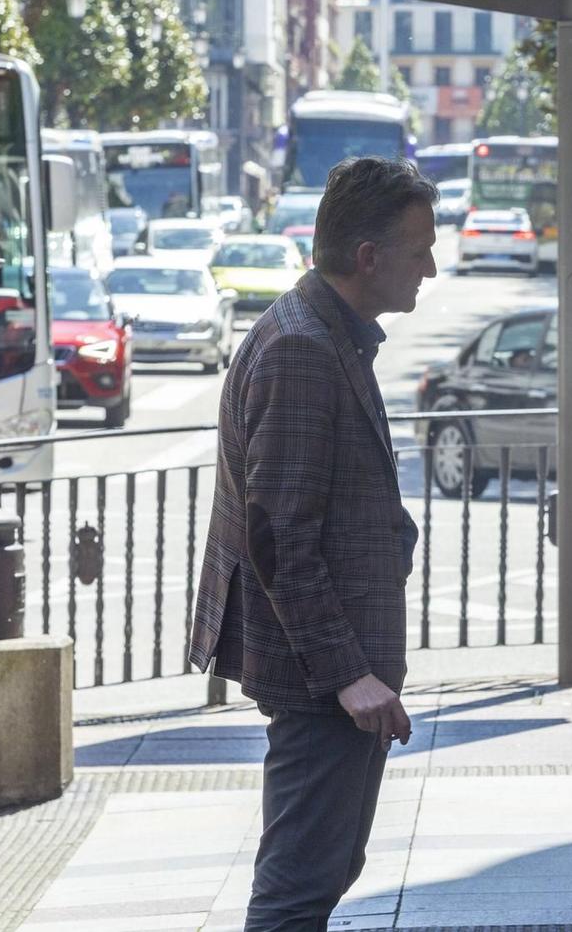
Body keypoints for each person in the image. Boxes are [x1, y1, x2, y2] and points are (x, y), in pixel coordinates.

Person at [188, 157, 440, 930]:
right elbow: (279, 538)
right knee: (299, 885)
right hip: (320, 674)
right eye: (420, 247)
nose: (432, 265)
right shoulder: (302, 346)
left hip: (334, 667)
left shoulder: (329, 333)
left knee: (323, 867)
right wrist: (348, 675)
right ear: (368, 258)